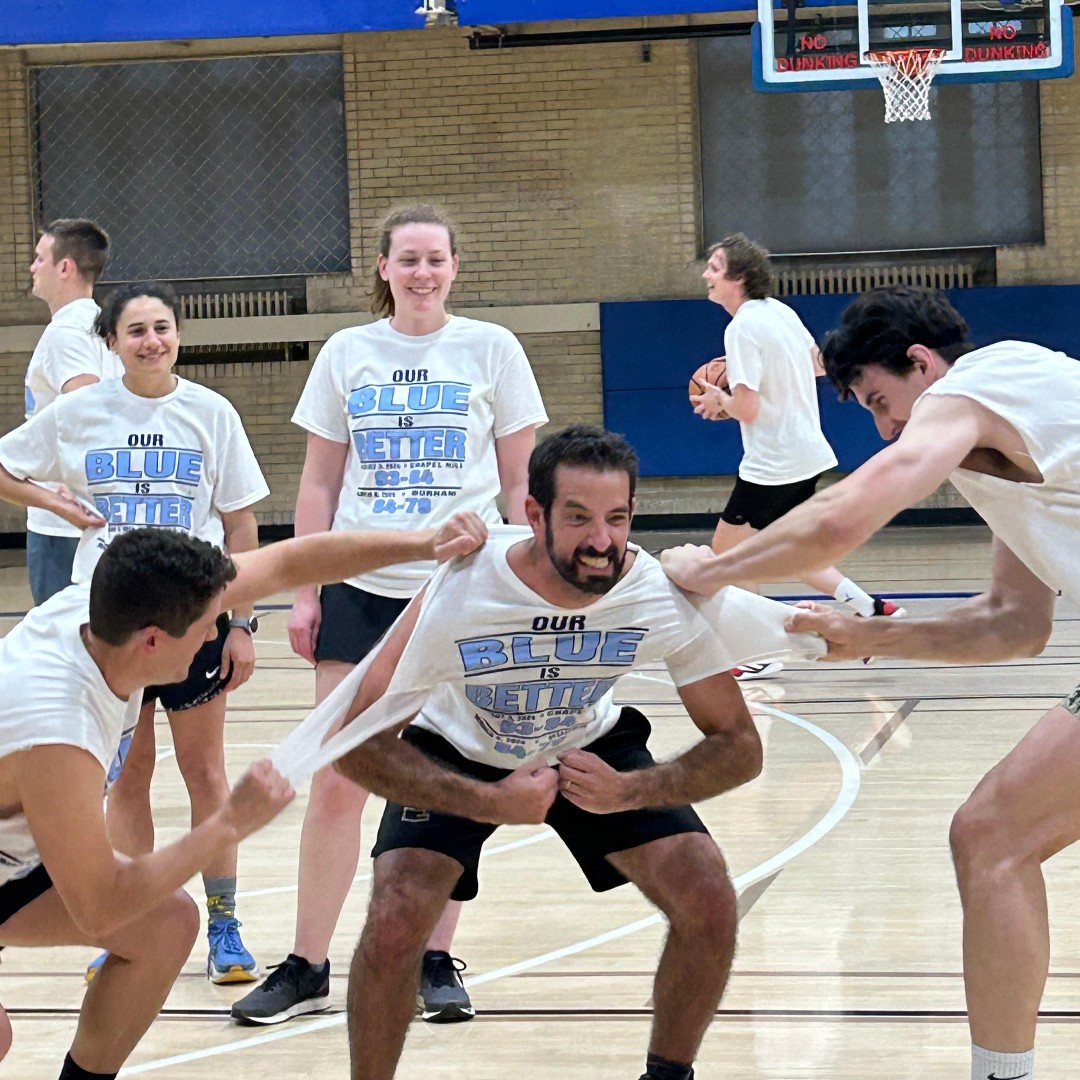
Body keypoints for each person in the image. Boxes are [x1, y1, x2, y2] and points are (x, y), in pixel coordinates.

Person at [299, 425, 828, 1080]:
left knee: (708, 894)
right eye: (578, 518)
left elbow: (741, 747)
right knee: (397, 915)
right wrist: (488, 799)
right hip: (460, 747)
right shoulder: (463, 592)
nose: (601, 541)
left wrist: (633, 790)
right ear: (533, 514)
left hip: (588, 743)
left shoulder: (653, 594)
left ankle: (668, 1076)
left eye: (616, 518)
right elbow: (353, 744)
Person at [662, 284, 1080, 1080]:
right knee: (991, 835)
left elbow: (840, 520)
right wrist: (866, 636)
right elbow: (1012, 623)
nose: (886, 429)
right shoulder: (1008, 431)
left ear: (922, 364)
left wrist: (710, 570)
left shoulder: (969, 391)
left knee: (993, 837)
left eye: (884, 401)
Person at [0, 513, 486, 1079]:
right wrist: (228, 822)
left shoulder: (120, 606)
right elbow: (100, 905)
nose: (213, 635)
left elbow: (290, 561)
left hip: (11, 860)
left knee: (166, 925)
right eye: (208, 625)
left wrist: (423, 543)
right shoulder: (57, 727)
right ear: (153, 640)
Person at [231, 203, 547, 1025]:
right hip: (363, 587)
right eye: (407, 260)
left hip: (464, 586)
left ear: (453, 267)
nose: (421, 273)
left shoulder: (492, 349)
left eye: (435, 260)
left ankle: (433, 957)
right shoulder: (347, 353)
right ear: (383, 268)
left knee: (451, 776)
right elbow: (319, 486)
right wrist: (305, 590)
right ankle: (305, 964)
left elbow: (522, 483)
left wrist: (526, 579)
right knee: (338, 779)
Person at [0, 281, 270, 984]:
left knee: (205, 769)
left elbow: (242, 525)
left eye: (162, 328)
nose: (152, 340)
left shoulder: (210, 412)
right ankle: (119, 914)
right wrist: (46, 497)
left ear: (177, 334)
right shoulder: (79, 411)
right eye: (136, 331)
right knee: (130, 778)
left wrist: (240, 624)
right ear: (112, 343)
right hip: (113, 620)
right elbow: (5, 465)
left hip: (193, 615)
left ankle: (225, 923)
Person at [691, 233, 903, 679]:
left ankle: (756, 652)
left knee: (729, 556)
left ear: (739, 276)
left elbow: (746, 408)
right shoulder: (781, 312)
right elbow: (819, 364)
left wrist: (719, 400)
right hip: (803, 453)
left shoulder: (742, 327)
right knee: (788, 551)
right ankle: (873, 609)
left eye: (715, 266)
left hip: (773, 463)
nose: (706, 275)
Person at [25, 217, 121, 605]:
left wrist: (73, 479)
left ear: (64, 267)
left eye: (39, 258)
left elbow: (87, 401)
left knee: (62, 651)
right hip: (84, 518)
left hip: (61, 522)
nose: (32, 267)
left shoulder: (66, 333)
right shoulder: (100, 326)